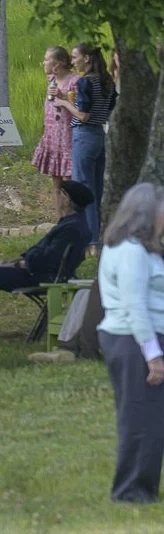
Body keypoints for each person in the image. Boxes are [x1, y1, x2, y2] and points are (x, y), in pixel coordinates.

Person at [96, 182, 164, 502]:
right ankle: (130, 491)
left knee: (152, 416)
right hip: (132, 340)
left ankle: (144, 485)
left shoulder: (143, 248)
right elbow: (134, 305)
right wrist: (153, 355)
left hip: (142, 338)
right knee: (140, 416)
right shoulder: (130, 251)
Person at [0, 180, 93, 311]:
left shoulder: (70, 229)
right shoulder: (76, 224)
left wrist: (20, 264)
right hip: (45, 273)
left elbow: (46, 259)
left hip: (41, 276)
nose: (56, 197)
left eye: (60, 193)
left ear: (67, 201)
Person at [70, 41, 113, 232]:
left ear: (86, 58)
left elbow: (83, 116)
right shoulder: (107, 81)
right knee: (97, 187)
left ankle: (90, 237)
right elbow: (110, 109)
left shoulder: (85, 82)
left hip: (84, 135)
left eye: (74, 57)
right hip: (99, 134)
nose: (73, 62)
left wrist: (64, 103)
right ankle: (101, 232)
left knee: (84, 187)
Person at [32, 47, 78, 209]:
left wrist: (62, 96)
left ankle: (74, 217)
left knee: (69, 184)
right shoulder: (51, 79)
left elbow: (80, 109)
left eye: (46, 59)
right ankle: (61, 219)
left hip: (67, 138)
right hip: (52, 138)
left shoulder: (75, 81)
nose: (43, 63)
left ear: (57, 64)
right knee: (56, 186)